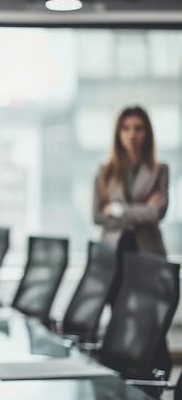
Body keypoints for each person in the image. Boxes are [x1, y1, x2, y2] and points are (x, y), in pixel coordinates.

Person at [93, 105, 169, 376]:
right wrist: (140, 211)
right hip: (115, 252)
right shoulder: (106, 171)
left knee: (150, 320)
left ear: (147, 133)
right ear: (118, 133)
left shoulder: (159, 169)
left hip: (147, 254)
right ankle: (123, 376)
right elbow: (98, 216)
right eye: (126, 128)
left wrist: (120, 210)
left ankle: (155, 374)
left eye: (138, 128)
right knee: (120, 319)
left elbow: (157, 212)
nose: (132, 134)